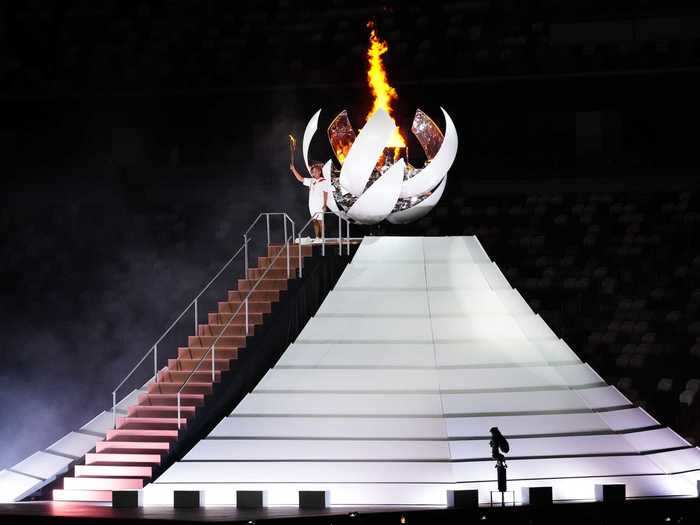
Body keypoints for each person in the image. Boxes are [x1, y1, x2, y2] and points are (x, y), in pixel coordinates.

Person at [290, 161, 331, 240]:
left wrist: (325, 204)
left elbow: (326, 193)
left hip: (320, 204)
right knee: (314, 221)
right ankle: (317, 237)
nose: (314, 173)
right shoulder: (311, 181)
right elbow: (300, 178)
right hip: (312, 204)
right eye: (313, 172)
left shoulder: (324, 181)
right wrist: (293, 169)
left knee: (320, 221)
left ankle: (322, 238)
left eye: (315, 171)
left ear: (319, 172)